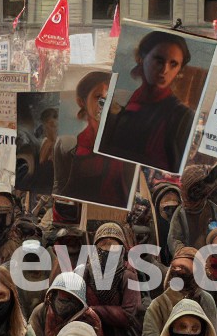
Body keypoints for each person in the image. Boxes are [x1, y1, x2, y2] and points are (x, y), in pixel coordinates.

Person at [97, 31, 196, 173]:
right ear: (141, 58)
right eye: (159, 60)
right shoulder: (120, 101)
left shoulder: (181, 116)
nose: (164, 70)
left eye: (173, 64)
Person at [52, 72, 135, 206]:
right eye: (98, 97)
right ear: (81, 101)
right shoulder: (69, 146)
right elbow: (59, 190)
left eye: (109, 97)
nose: (104, 104)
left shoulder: (126, 145)